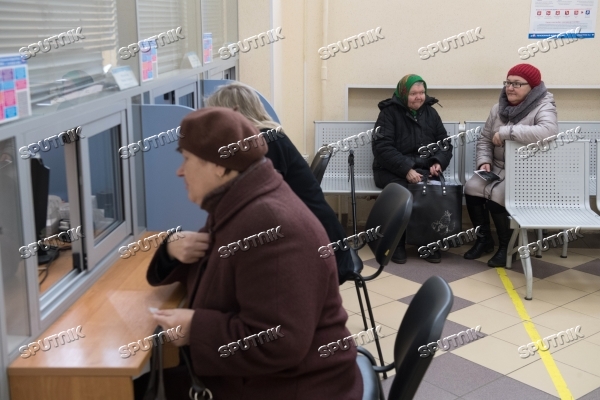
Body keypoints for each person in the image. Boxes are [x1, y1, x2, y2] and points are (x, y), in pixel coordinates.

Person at [135, 107, 362, 399]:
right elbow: (214, 265)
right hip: (262, 378)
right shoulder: (241, 200)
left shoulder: (268, 224)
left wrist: (196, 329)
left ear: (218, 166)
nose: (180, 171)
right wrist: (171, 251)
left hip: (296, 387)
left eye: (187, 159)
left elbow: (279, 341)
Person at [204, 82, 355, 284]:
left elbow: (260, 205)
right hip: (311, 236)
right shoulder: (266, 137)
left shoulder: (266, 143)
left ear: (234, 115)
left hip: (319, 248)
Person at [463, 64, 558, 267]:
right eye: (508, 82)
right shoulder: (497, 109)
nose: (510, 88)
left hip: (527, 172)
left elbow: (548, 132)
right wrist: (484, 161)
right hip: (497, 167)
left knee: (497, 196)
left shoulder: (544, 106)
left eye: (517, 84)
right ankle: (484, 240)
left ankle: (507, 247)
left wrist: (507, 132)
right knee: (471, 188)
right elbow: (485, 140)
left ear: (532, 88)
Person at [372, 74, 453, 264]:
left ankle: (427, 241)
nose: (419, 97)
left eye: (422, 92)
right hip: (390, 170)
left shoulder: (431, 113)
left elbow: (444, 144)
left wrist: (438, 161)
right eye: (413, 93)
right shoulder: (388, 113)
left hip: (423, 169)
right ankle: (397, 242)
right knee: (403, 192)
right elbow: (382, 148)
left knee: (430, 190)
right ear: (403, 94)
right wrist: (406, 169)